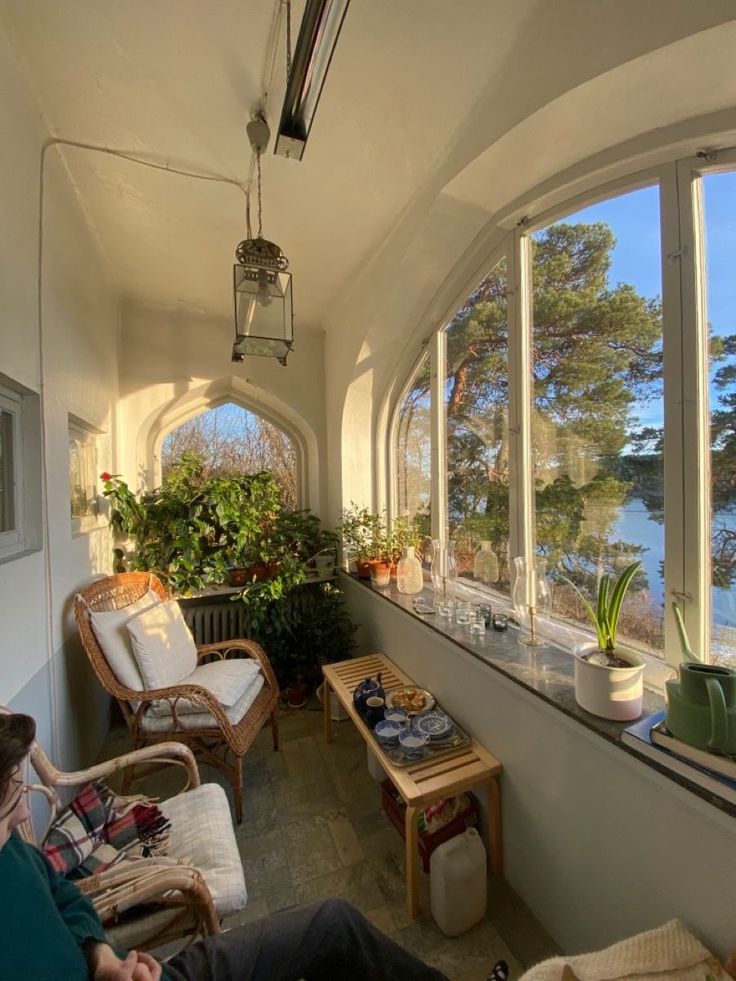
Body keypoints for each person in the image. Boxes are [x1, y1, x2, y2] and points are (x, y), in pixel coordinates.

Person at [0, 712, 508, 981]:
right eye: (8, 804)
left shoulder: (13, 855)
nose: (26, 814)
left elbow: (61, 894)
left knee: (333, 922)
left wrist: (101, 959)